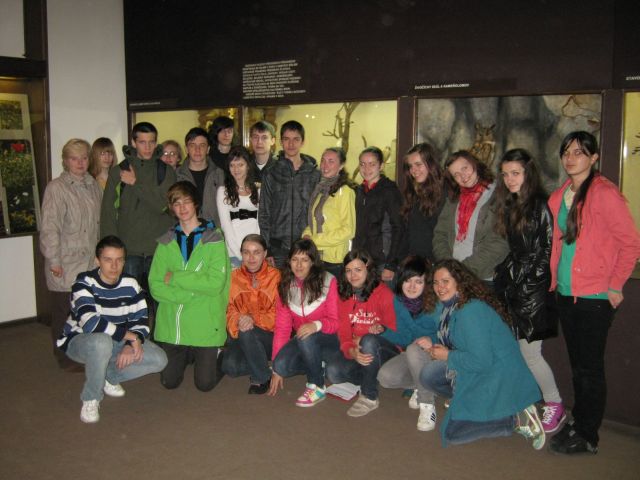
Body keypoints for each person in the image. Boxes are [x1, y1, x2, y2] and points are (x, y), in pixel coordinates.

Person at [547, 131, 640, 455]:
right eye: (566, 152)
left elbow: (631, 244)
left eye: (579, 152)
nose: (571, 158)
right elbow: (558, 244)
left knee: (590, 368)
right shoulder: (561, 195)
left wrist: (615, 285)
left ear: (594, 157)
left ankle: (588, 435)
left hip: (595, 297)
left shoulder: (604, 193)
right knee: (578, 366)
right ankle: (579, 422)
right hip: (567, 293)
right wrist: (553, 281)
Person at [418, 259, 545, 448]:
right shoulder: (448, 308)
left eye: (445, 281)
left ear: (459, 282)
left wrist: (448, 356)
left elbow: (482, 361)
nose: (439, 287)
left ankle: (515, 419)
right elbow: (437, 331)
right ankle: (476, 404)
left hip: (496, 375)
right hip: (474, 368)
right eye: (436, 282)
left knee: (452, 434)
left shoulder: (470, 311)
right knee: (429, 375)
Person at [56, 235, 168, 423]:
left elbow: (141, 321)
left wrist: (130, 344)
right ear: (97, 261)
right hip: (81, 340)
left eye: (119, 260)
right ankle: (91, 397)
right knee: (102, 342)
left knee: (159, 359)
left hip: (118, 339)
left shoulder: (131, 284)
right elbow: (91, 324)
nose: (114, 266)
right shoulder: (83, 282)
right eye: (108, 260)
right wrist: (130, 337)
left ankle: (107, 375)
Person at [493, 148, 565, 434]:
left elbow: (545, 252)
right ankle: (524, 402)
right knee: (518, 352)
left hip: (533, 291)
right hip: (517, 287)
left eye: (516, 173)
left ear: (528, 173)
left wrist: (524, 284)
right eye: (505, 174)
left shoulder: (539, 204)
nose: (510, 179)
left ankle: (555, 403)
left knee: (531, 353)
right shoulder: (514, 203)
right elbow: (519, 251)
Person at [149, 181, 230, 391]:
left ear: (195, 204)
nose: (182, 208)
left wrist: (175, 277)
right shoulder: (165, 242)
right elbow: (155, 285)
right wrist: (188, 296)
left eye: (186, 201)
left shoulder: (214, 238)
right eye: (177, 203)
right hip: (175, 323)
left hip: (204, 320)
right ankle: (190, 352)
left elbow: (215, 284)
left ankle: (221, 354)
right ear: (171, 208)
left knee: (204, 384)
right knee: (169, 382)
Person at [40, 138, 102, 370]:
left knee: (85, 311)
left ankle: (82, 352)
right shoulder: (56, 188)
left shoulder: (93, 185)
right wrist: (54, 260)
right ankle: (64, 357)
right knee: (64, 312)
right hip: (65, 262)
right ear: (65, 161)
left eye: (84, 157)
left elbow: (98, 225)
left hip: (89, 261)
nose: (80, 163)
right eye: (74, 158)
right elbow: (49, 228)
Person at [100, 122, 177, 301]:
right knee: (128, 302)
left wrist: (135, 183)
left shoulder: (166, 171)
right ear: (134, 143)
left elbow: (163, 205)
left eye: (151, 142)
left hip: (159, 249)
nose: (147, 147)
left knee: (161, 302)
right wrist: (110, 248)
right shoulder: (119, 172)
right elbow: (108, 213)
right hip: (128, 250)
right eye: (142, 142)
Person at [268, 239, 339, 407]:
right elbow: (282, 328)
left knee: (306, 336)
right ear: (289, 261)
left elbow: (336, 322)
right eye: (295, 259)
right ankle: (317, 363)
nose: (299, 265)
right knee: (280, 365)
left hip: (330, 338)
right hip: (303, 338)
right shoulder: (285, 285)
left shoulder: (329, 281)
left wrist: (316, 325)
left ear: (312, 262)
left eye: (304, 260)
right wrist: (275, 368)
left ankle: (317, 385)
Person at [326, 249, 397, 417]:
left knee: (369, 341)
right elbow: (344, 333)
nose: (353, 275)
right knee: (333, 372)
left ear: (368, 268)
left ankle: (369, 395)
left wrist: (381, 330)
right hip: (358, 349)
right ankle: (370, 375)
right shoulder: (343, 294)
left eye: (358, 270)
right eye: (348, 271)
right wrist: (352, 351)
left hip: (383, 349)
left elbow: (397, 333)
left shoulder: (384, 293)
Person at [377, 255, 441, 431]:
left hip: (439, 356)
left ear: (426, 283)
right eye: (407, 280)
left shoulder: (437, 303)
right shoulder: (399, 302)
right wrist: (383, 331)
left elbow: (451, 335)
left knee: (413, 348)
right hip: (415, 354)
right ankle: (424, 385)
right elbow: (404, 337)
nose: (412, 286)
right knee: (385, 377)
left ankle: (427, 403)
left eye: (418, 281)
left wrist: (432, 340)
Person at [433, 150, 508, 284]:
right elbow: (440, 235)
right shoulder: (454, 199)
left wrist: (463, 271)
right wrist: (449, 266)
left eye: (465, 168)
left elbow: (500, 243)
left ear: (475, 164)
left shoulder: (498, 195)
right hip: (452, 277)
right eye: (456, 175)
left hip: (483, 278)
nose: (463, 176)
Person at [222, 234, 280, 394]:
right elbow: (229, 309)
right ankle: (262, 363)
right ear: (241, 254)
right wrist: (239, 320)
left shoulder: (276, 277)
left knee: (247, 332)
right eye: (246, 252)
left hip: (269, 337)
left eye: (256, 252)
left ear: (265, 254)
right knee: (231, 367)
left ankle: (261, 377)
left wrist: (252, 319)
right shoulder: (233, 277)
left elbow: (280, 315)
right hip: (241, 331)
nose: (251, 257)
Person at [259, 120, 319, 268]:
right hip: (277, 248)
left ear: (303, 142)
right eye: (286, 139)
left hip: (305, 246)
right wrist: (267, 248)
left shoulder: (314, 174)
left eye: (296, 139)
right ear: (281, 142)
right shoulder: (271, 172)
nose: (291, 144)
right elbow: (264, 212)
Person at [302, 147, 356, 277]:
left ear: (341, 166)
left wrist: (315, 240)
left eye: (331, 161)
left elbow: (348, 230)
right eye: (323, 160)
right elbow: (314, 220)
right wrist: (306, 234)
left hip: (334, 260)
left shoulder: (345, 191)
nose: (325, 165)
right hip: (317, 256)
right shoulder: (320, 189)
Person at [353, 146, 403, 283]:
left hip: (382, 262)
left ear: (381, 166)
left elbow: (399, 227)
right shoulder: (359, 191)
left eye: (372, 164)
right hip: (362, 260)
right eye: (362, 164)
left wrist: (391, 264)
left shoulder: (389, 190)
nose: (366, 169)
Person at [400, 143, 446, 262]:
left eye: (418, 164)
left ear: (431, 164)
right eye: (410, 166)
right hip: (415, 262)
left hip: (437, 262)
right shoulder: (414, 193)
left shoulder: (446, 193)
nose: (413, 170)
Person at [216, 146, 260, 268]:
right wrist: (241, 254)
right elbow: (226, 226)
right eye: (232, 165)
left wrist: (256, 250)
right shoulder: (223, 191)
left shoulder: (258, 190)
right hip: (234, 252)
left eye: (240, 165)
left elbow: (261, 223)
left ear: (248, 166)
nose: (236, 169)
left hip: (256, 251)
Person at [176, 127, 225, 227]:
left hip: (215, 230)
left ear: (208, 149)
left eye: (202, 145)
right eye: (192, 145)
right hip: (186, 230)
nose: (197, 150)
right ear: (186, 149)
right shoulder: (177, 175)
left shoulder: (219, 174)